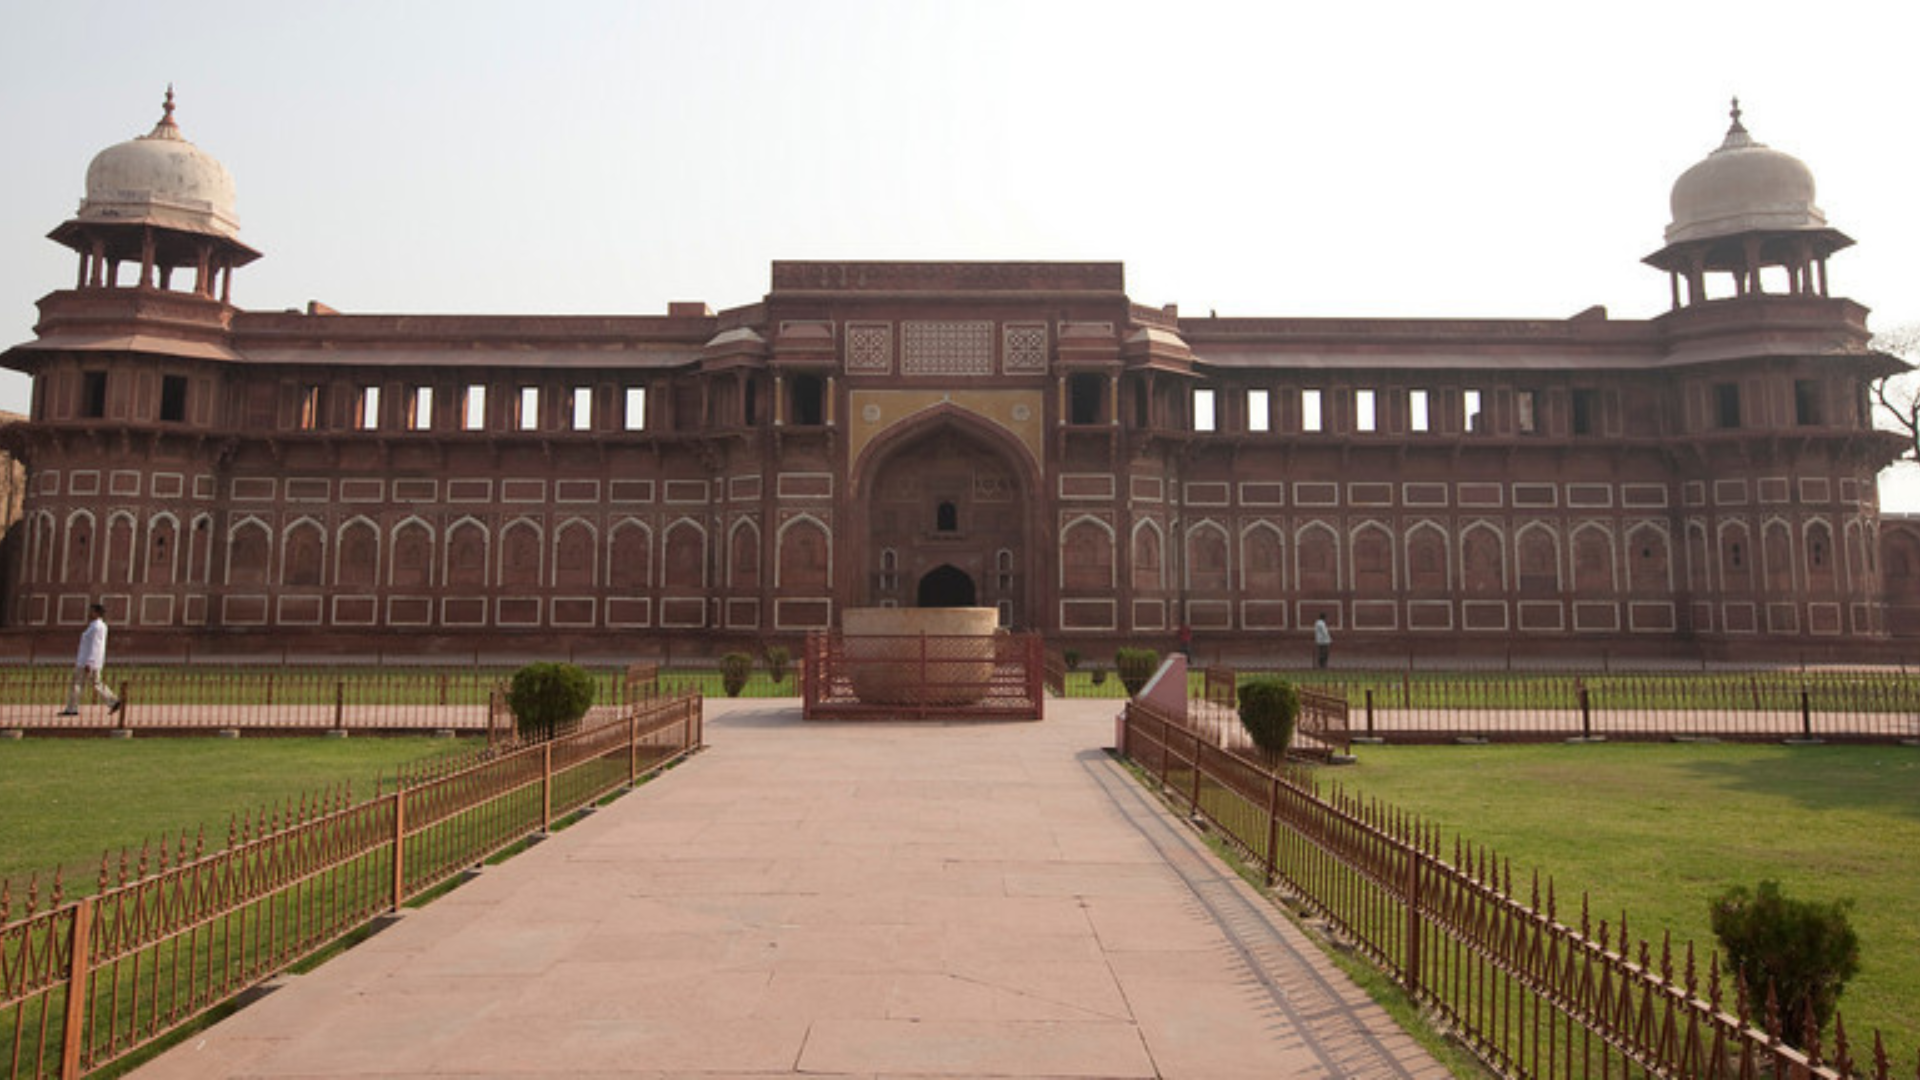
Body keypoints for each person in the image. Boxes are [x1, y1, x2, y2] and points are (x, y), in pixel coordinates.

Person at [60, 603, 122, 716]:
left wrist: (90, 662)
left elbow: (95, 645)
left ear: (97, 613)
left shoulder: (96, 627)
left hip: (86, 662)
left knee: (77, 684)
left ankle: (71, 708)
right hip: (91, 661)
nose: (89, 613)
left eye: (92, 611)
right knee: (96, 683)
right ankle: (113, 701)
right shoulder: (98, 626)